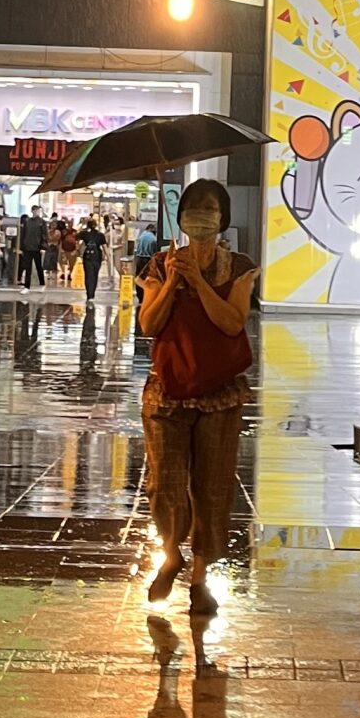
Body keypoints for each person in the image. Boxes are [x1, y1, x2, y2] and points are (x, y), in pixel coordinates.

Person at [135, 179, 258, 616]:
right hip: (167, 392)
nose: (201, 216)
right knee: (163, 486)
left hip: (220, 394)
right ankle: (171, 554)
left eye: (210, 208)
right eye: (193, 208)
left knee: (212, 487)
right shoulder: (159, 262)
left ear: (223, 218)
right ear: (181, 216)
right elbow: (149, 324)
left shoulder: (238, 265)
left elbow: (232, 322)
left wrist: (200, 285)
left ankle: (201, 578)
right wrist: (172, 281)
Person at [79, 215, 108, 306]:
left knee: (88, 275)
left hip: (87, 257)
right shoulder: (100, 235)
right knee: (95, 275)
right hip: (97, 257)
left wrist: (79, 253)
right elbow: (104, 247)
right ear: (96, 225)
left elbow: (80, 244)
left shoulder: (84, 234)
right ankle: (93, 294)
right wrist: (107, 257)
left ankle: (89, 294)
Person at [17, 206, 47, 289]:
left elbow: (44, 235)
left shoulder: (42, 222)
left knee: (39, 266)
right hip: (27, 247)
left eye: (37, 210)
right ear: (32, 211)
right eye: (35, 210)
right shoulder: (27, 221)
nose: (36, 212)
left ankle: (42, 283)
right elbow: (23, 235)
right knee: (27, 267)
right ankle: (27, 286)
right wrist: (21, 247)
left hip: (37, 248)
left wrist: (43, 247)